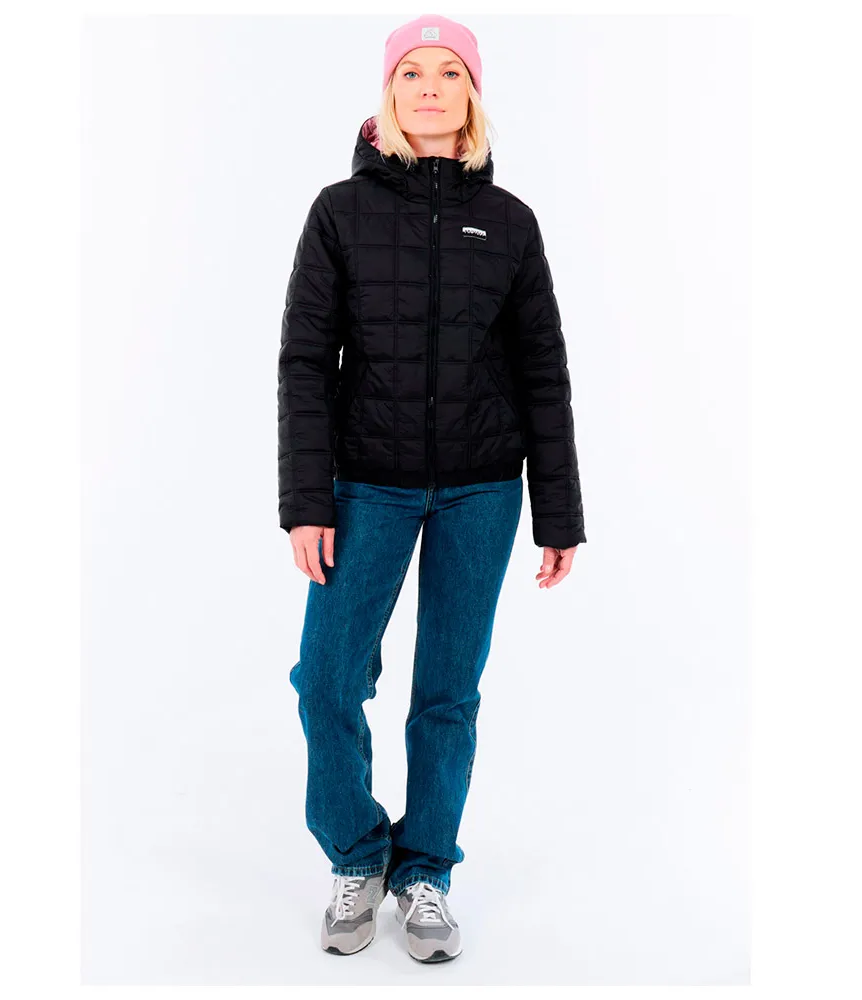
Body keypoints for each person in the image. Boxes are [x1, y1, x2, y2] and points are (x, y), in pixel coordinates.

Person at [277, 14, 586, 963]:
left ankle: (426, 875)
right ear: (389, 93)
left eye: (448, 72)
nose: (428, 87)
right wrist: (307, 501)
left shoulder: (512, 222)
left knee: (448, 694)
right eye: (411, 72)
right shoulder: (339, 211)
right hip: (364, 488)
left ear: (471, 94)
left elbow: (543, 372)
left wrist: (558, 512)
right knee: (328, 679)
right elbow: (304, 362)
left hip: (482, 492)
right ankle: (358, 852)